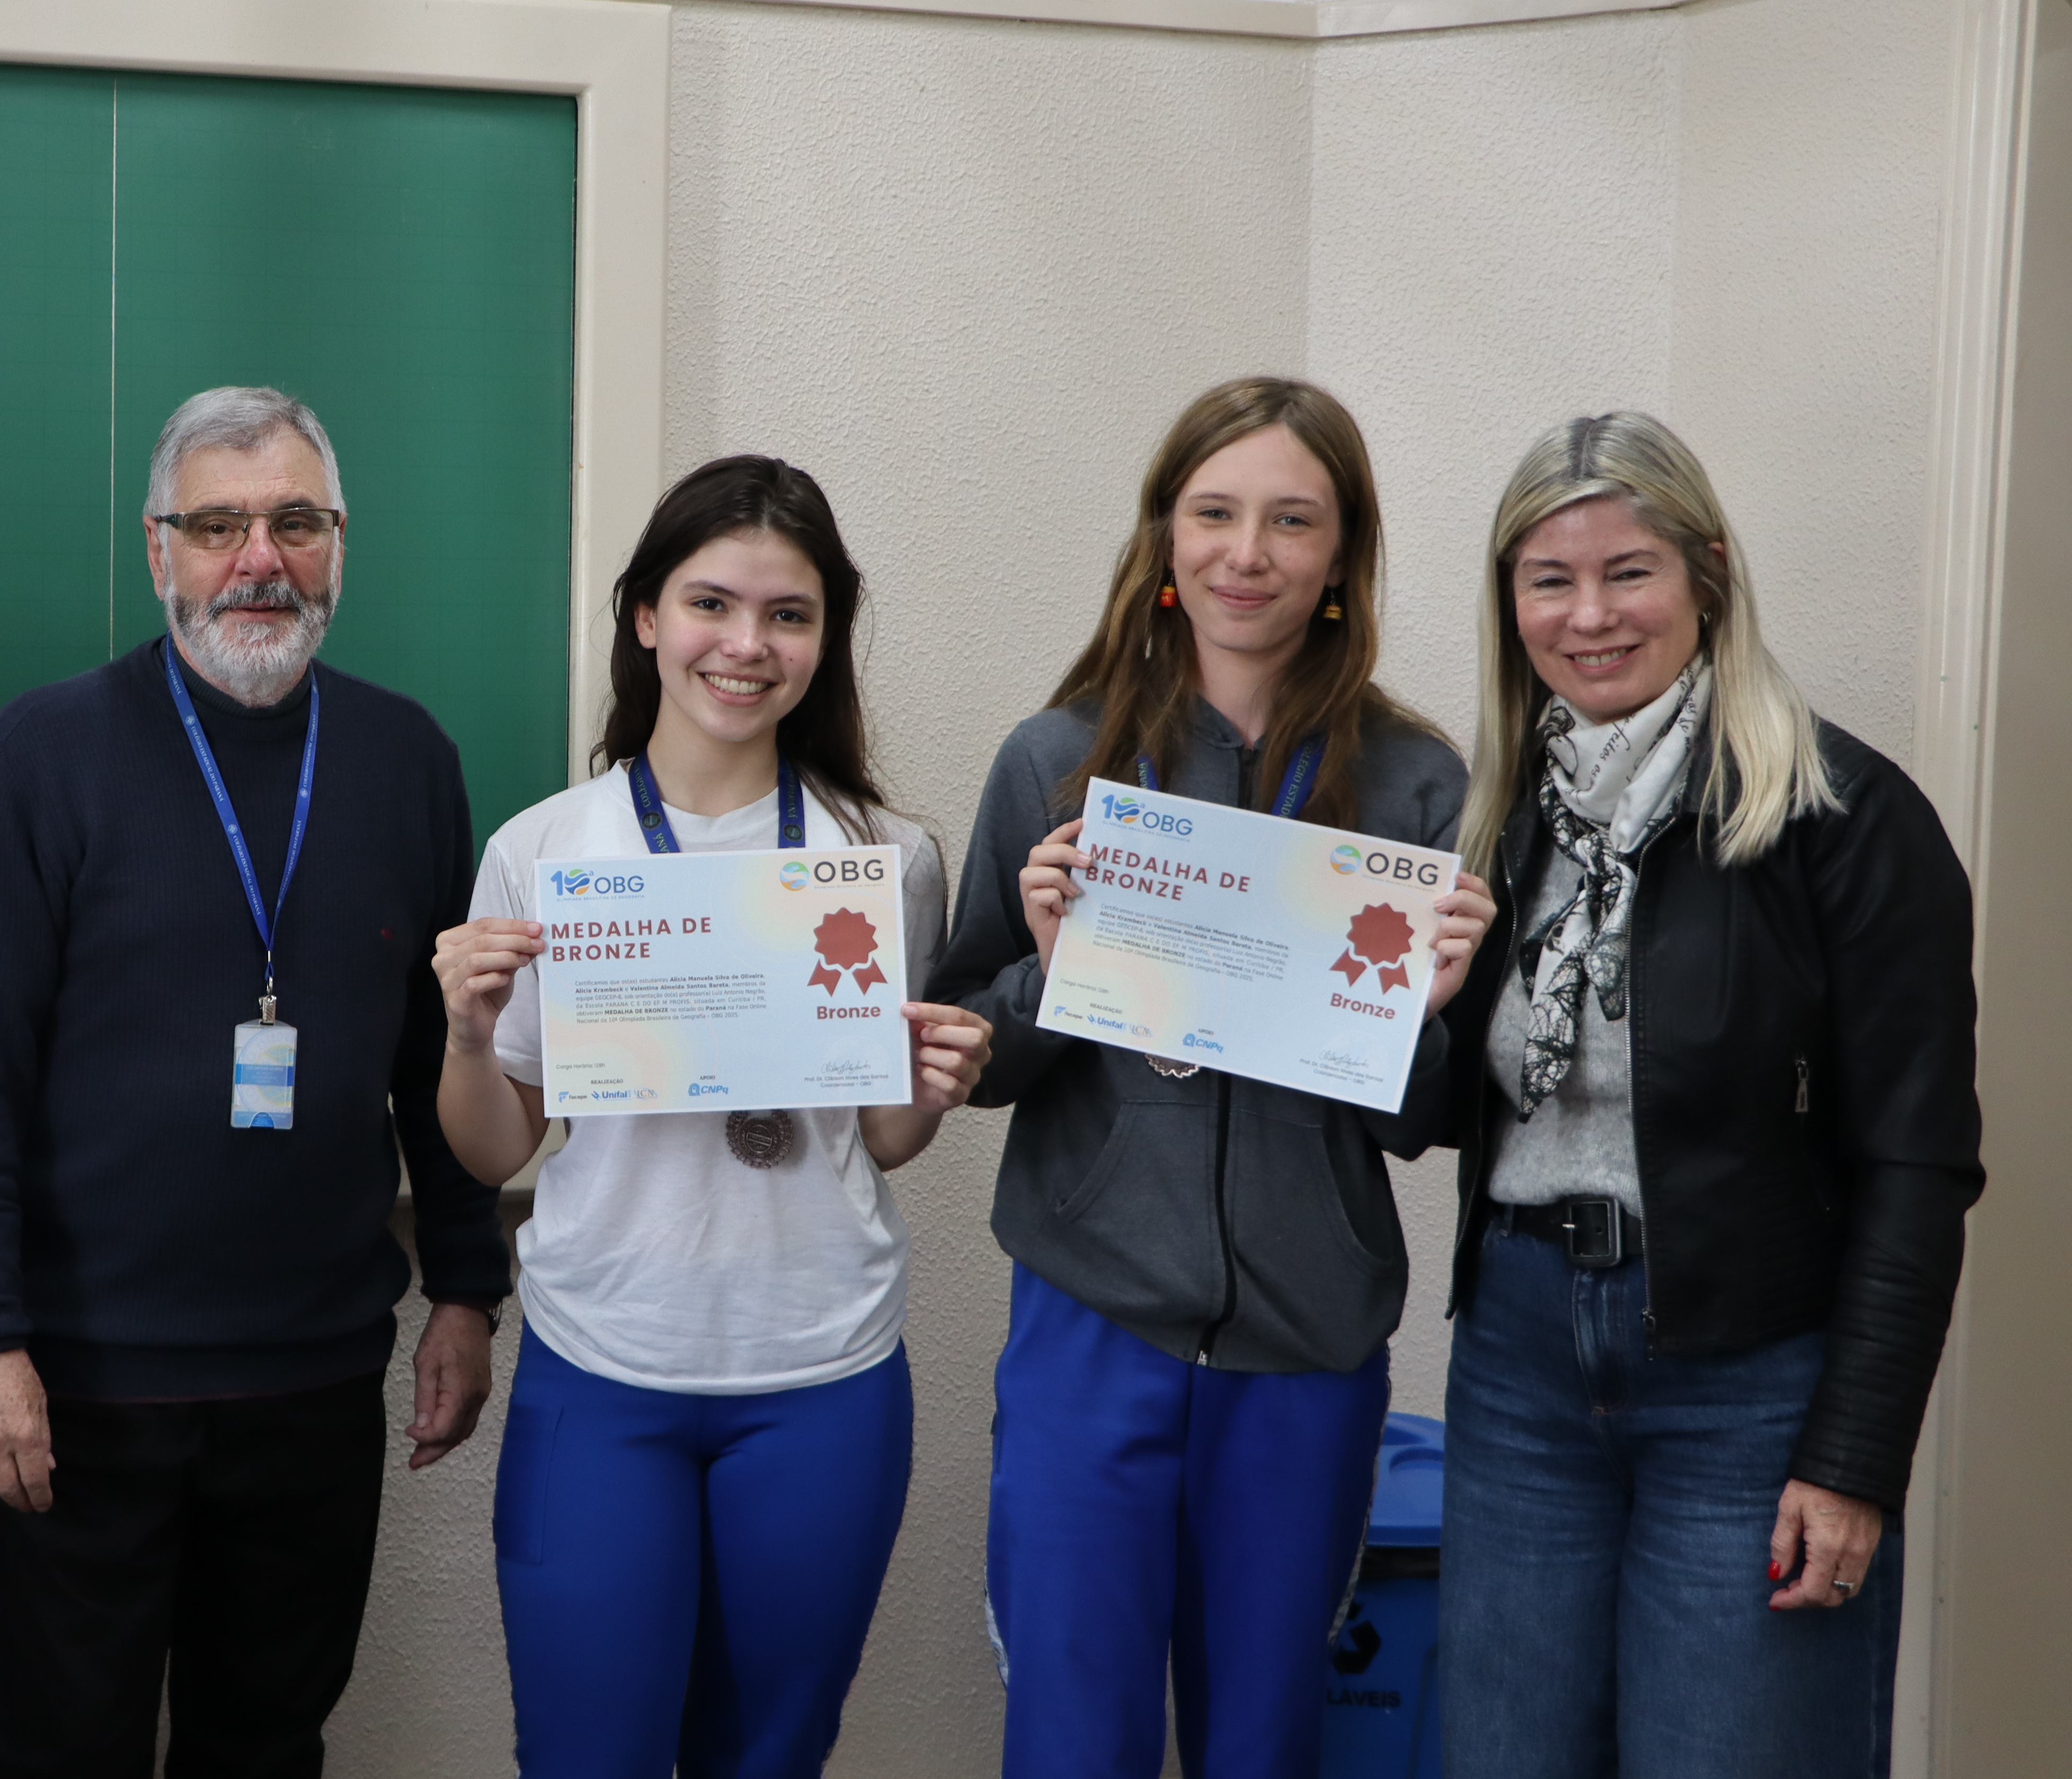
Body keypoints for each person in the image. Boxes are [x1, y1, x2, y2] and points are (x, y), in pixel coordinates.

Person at [0, 386, 511, 1777]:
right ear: (157, 549)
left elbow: (443, 1053)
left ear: (341, 542)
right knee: (73, 1748)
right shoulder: (41, 754)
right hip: (82, 1381)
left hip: (313, 1371)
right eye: (219, 525)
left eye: (295, 522)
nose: (260, 559)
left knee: (268, 1742)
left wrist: (468, 1289)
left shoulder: (408, 759)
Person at [926, 376, 1494, 1778]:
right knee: (1075, 1737)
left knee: (1263, 1744)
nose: (1249, 552)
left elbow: (1431, 1121)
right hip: (1092, 1328)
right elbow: (967, 1054)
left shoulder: (1420, 785)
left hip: (1307, 1352)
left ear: (1342, 557)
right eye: (1216, 513)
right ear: (1164, 541)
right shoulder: (1061, 762)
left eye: (1291, 521)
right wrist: (1056, 961)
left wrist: (1434, 1011)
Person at [1430, 414, 1980, 1779]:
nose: (1590, 615)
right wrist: (1413, 1014)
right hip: (1519, 1362)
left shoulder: (1844, 818)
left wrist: (1855, 1457)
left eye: (1631, 572)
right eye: (1549, 580)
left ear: (1711, 577)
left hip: (1754, 1378)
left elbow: (1918, 1165)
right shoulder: (1496, 817)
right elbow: (1438, 1114)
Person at [430, 455, 994, 1777]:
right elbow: (499, 1144)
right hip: (603, 1363)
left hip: (821, 1372)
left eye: (789, 614)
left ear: (825, 637)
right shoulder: (549, 849)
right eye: (711, 603)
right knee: (588, 1754)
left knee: (770, 1755)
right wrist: (464, 1033)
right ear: (643, 616)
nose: (747, 646)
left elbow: (880, 1136)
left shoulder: (882, 856)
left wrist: (929, 1092)